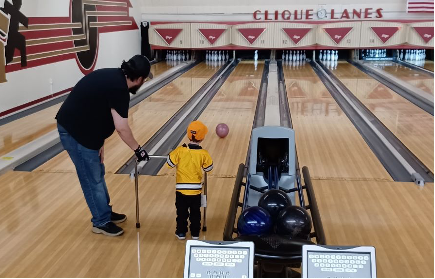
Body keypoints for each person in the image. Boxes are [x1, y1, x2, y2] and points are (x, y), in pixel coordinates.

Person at [56, 55, 152, 237]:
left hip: (85, 129)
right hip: (74, 131)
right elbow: (122, 128)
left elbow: (97, 111)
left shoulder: (115, 77)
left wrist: (99, 141)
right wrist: (138, 150)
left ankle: (104, 212)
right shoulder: (119, 89)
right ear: (139, 79)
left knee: (97, 174)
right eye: (145, 79)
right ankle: (100, 221)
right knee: (92, 178)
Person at [166, 121, 213, 240]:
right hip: (196, 191)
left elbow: (169, 163)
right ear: (202, 138)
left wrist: (172, 153)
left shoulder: (180, 150)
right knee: (195, 213)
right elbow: (209, 168)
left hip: (181, 191)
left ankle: (181, 232)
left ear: (188, 134)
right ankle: (195, 234)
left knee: (181, 213)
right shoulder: (203, 153)